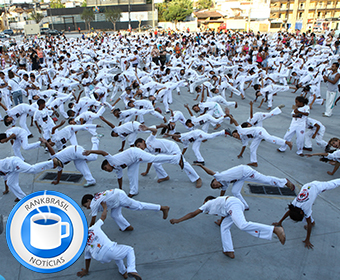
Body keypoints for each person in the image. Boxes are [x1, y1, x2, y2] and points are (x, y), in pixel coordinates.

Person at [170, 195, 286, 259]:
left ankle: (275, 229)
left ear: (207, 200)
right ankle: (229, 250)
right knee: (224, 228)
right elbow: (223, 213)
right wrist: (220, 222)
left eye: (204, 202)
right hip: (231, 208)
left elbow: (192, 214)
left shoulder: (208, 204)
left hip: (232, 204)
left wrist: (178, 220)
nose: (203, 204)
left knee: (242, 225)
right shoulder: (217, 204)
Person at [77, 201, 142, 280]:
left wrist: (86, 270)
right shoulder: (94, 227)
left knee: (117, 254)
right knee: (129, 250)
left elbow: (87, 258)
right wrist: (105, 207)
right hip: (108, 249)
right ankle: (132, 270)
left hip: (99, 257)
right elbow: (103, 216)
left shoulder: (83, 243)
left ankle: (123, 272)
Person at [83, 148, 184, 197]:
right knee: (131, 175)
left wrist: (90, 151)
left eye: (106, 167)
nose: (107, 170)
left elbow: (103, 152)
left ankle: (176, 158)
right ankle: (133, 191)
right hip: (132, 162)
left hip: (135, 153)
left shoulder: (111, 160)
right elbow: (119, 178)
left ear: (108, 163)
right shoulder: (116, 169)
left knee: (153, 158)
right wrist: (120, 190)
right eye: (106, 170)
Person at [273, 179, 340, 249]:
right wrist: (280, 222)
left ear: (301, 212)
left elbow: (309, 224)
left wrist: (307, 239)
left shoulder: (305, 208)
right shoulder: (294, 204)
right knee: (308, 215)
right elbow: (289, 212)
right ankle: (313, 222)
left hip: (317, 186)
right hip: (307, 186)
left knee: (332, 184)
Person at [194, 163, 295, 210]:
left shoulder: (219, 176)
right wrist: (218, 201)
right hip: (240, 178)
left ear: (215, 180)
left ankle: (284, 181)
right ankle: (245, 205)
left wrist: (202, 166)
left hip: (246, 171)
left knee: (265, 180)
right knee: (235, 191)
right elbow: (222, 194)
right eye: (216, 187)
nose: (216, 185)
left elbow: (210, 172)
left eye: (214, 184)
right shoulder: (223, 184)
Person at [134, 124, 202, 188]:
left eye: (139, 145)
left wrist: (147, 128)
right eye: (138, 147)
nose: (140, 148)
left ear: (143, 141)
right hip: (165, 153)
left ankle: (198, 178)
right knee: (155, 163)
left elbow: (155, 130)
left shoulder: (149, 140)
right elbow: (151, 160)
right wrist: (147, 172)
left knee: (183, 163)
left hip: (172, 148)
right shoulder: (146, 151)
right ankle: (164, 176)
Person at [81, 188, 170, 230]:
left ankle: (162, 208)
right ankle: (126, 226)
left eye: (86, 205)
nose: (87, 208)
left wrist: (89, 229)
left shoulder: (93, 204)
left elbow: (93, 220)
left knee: (139, 206)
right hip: (116, 198)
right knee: (115, 215)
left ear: (89, 200)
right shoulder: (96, 197)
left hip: (120, 198)